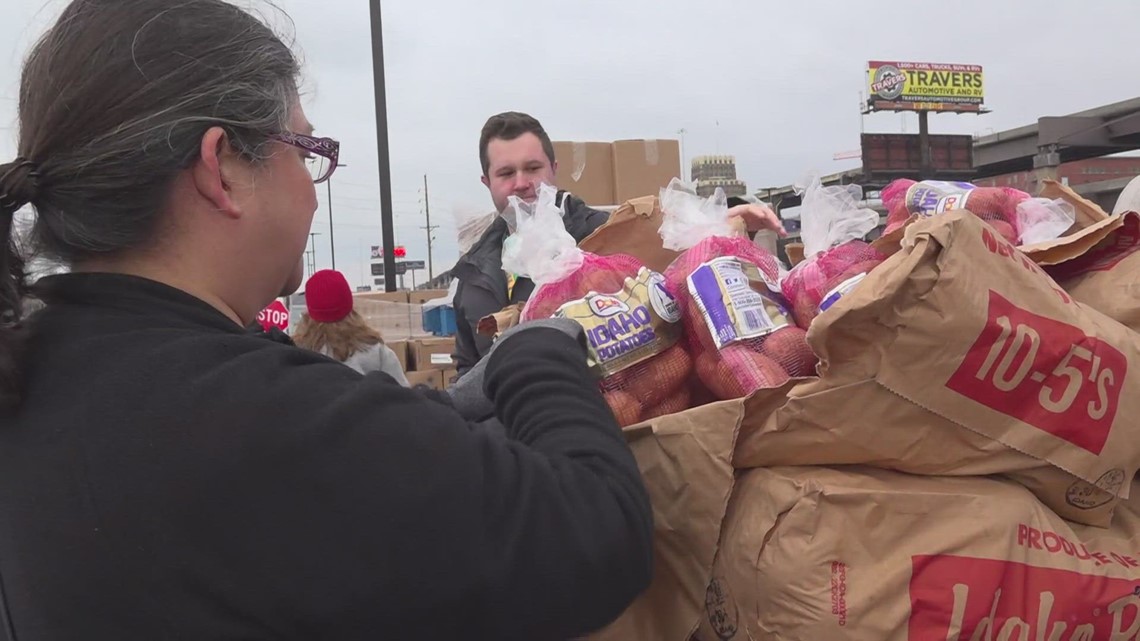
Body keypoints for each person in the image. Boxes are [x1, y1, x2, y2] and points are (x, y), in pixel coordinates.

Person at [0, 2, 652, 640]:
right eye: (307, 149)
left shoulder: (37, 370)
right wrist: (538, 360)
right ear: (222, 167)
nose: (314, 187)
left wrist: (457, 402)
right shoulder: (262, 421)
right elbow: (597, 535)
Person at [451, 111, 787, 375]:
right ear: (487, 181)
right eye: (506, 173)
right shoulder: (472, 272)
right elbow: (466, 365)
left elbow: (680, 266)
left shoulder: (606, 236)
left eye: (533, 168)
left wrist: (726, 223)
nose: (521, 183)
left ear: (553, 169)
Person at [292, 269, 410, 386]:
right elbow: (404, 397)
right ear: (350, 305)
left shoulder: (298, 354)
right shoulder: (375, 350)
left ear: (309, 310)